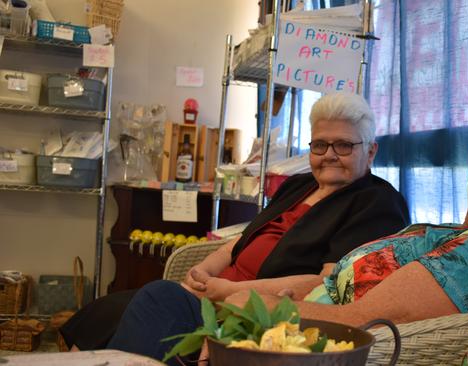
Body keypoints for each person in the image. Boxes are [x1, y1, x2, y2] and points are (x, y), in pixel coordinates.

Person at [106, 96, 468, 363]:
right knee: (154, 301)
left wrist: (246, 309)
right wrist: (228, 294)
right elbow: (328, 281)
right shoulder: (451, 233)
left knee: (155, 303)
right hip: (284, 330)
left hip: (299, 351)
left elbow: (361, 324)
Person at [60, 92, 410, 354]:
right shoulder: (298, 184)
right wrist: (203, 271)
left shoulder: (377, 203)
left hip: (260, 314)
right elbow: (243, 239)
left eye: (344, 145)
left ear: (372, 151)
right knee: (107, 309)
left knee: (155, 299)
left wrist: (229, 292)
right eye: (320, 144)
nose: (329, 154)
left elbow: (329, 282)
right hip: (216, 295)